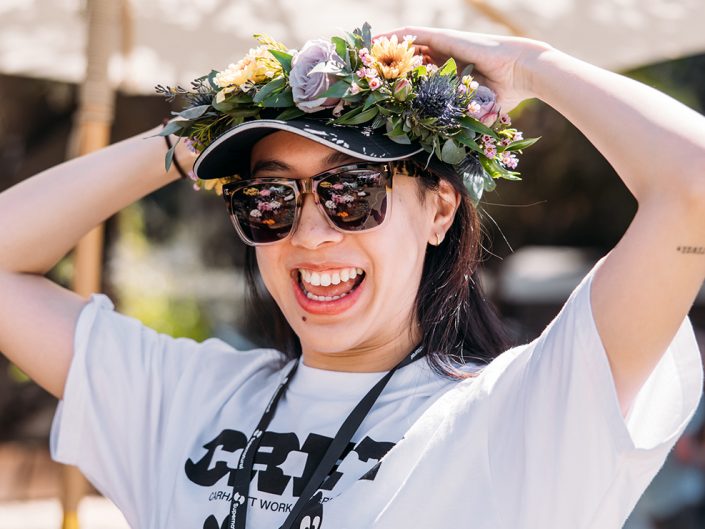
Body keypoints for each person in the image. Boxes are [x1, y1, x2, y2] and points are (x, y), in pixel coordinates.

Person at [0, 24, 704, 529]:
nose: (309, 235)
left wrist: (527, 66)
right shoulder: (183, 398)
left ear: (438, 208)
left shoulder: (527, 412)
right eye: (270, 198)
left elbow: (693, 184)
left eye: (351, 194)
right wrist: (192, 137)